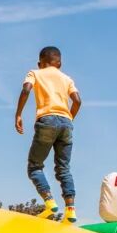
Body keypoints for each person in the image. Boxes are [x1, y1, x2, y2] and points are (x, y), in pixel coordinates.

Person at [14, 46, 80, 222]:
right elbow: (77, 101)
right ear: (60, 62)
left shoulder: (35, 73)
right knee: (64, 168)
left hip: (47, 120)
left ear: (40, 63)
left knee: (34, 165)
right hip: (66, 122)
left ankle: (50, 202)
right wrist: (69, 119)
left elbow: (26, 90)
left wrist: (18, 114)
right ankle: (71, 210)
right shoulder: (67, 79)